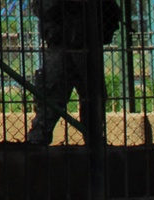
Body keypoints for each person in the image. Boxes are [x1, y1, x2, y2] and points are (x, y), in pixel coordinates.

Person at [27, 0, 121, 145]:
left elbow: (111, 11)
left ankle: (94, 141)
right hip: (61, 44)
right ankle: (38, 141)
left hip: (85, 44)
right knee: (51, 98)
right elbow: (41, 9)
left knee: (93, 97)